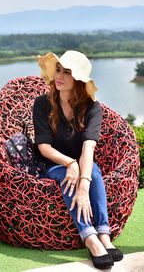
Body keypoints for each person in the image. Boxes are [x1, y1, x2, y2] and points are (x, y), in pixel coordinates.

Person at [33, 50, 123, 270]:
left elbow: (88, 146)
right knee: (68, 176)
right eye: (58, 70)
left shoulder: (93, 107)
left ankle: (104, 234)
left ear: (79, 79)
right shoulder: (42, 104)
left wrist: (84, 183)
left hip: (82, 160)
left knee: (92, 171)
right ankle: (90, 237)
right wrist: (70, 163)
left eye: (67, 72)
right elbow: (44, 148)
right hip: (52, 164)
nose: (60, 76)